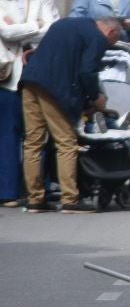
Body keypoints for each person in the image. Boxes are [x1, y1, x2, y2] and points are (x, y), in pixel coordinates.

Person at [18, 17, 122, 212]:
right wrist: (95, 97)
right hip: (55, 89)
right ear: (111, 32)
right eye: (111, 43)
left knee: (33, 142)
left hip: (30, 80)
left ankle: (35, 199)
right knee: (66, 142)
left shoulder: (64, 23)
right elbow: (87, 71)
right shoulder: (97, 37)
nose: (107, 46)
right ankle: (70, 199)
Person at [1, 0, 54, 207]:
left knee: (36, 133)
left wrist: (23, 28)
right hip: (8, 74)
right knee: (9, 133)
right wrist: (35, 25)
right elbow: (5, 32)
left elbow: (51, 27)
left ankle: (36, 190)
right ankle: (8, 191)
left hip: (36, 71)